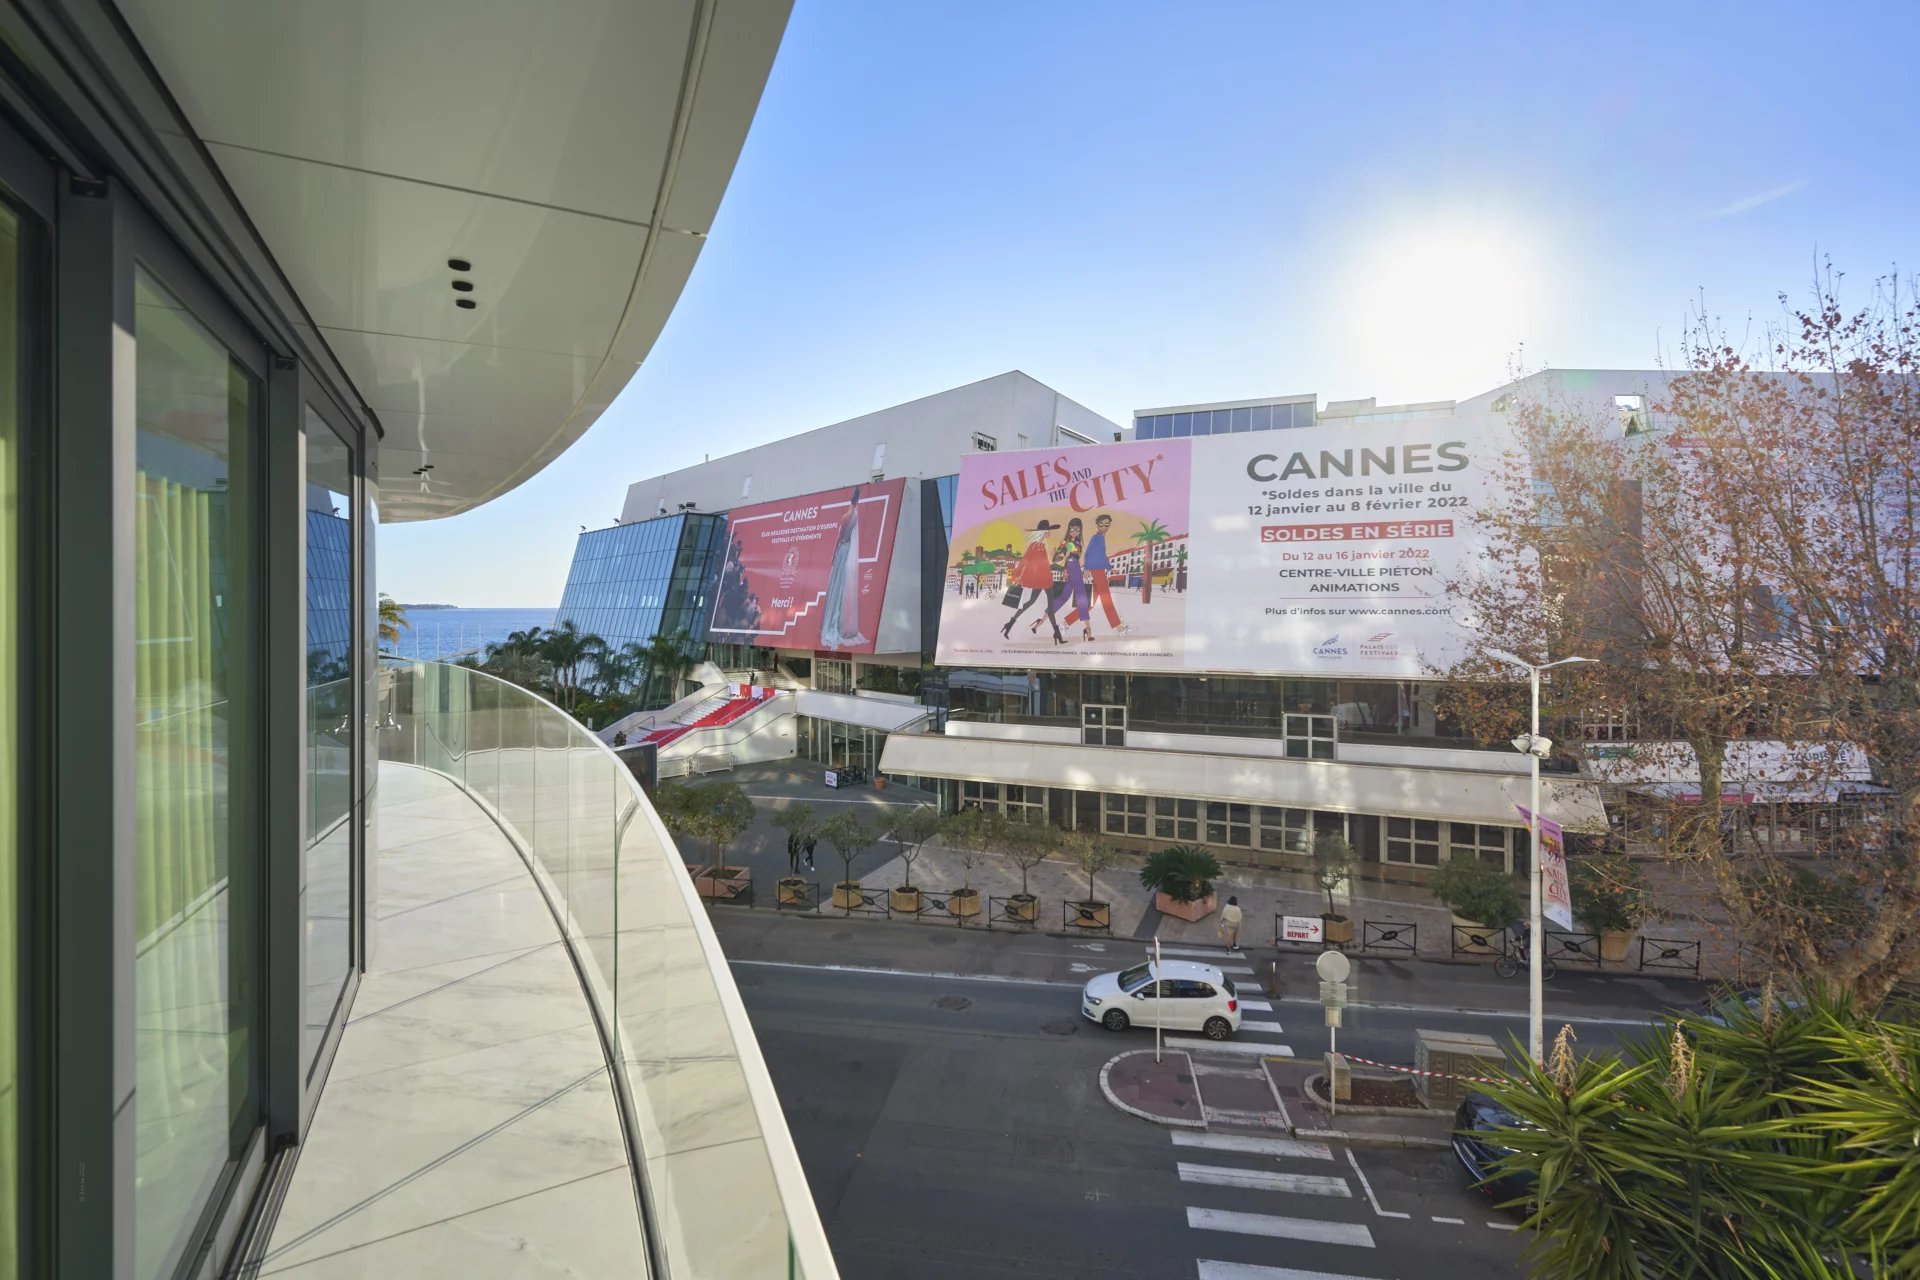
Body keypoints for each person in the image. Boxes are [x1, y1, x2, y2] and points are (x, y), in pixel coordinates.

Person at [819, 486, 869, 649]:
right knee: (839, 588)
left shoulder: (846, 516)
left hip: (842, 551)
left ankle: (831, 624)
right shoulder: (856, 515)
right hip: (847, 551)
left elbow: (839, 537)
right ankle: (836, 622)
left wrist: (833, 555)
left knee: (835, 586)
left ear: (851, 500)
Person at [1064, 512, 1127, 634]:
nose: (1104, 527)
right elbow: (1088, 554)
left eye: (1106, 525)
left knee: (1090, 604)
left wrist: (1110, 568)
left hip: (1099, 571)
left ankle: (1066, 622)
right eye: (1101, 525)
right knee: (1107, 600)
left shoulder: (1101, 538)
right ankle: (1120, 629)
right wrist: (1087, 569)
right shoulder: (1096, 538)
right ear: (1097, 525)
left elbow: (1101, 557)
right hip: (1097, 573)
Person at [1001, 520, 1061, 640]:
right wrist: (1019, 577)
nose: (1049, 532)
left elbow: (1044, 563)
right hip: (1043, 579)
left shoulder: (1042, 545)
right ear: (1043, 532)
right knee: (1048, 606)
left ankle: (1010, 624)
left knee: (1032, 602)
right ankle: (1057, 633)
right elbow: (1026, 561)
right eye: (1048, 530)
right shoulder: (1036, 545)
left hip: (1044, 578)